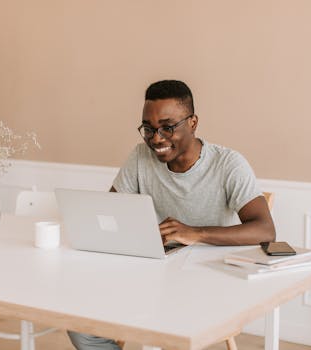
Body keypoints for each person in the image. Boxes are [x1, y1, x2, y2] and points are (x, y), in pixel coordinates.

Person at [68, 79, 276, 350]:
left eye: (168, 127)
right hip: (153, 276)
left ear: (192, 122)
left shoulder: (228, 164)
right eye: (148, 129)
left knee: (165, 327)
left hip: (208, 282)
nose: (156, 138)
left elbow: (265, 229)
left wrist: (196, 233)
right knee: (80, 321)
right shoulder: (141, 157)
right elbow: (112, 212)